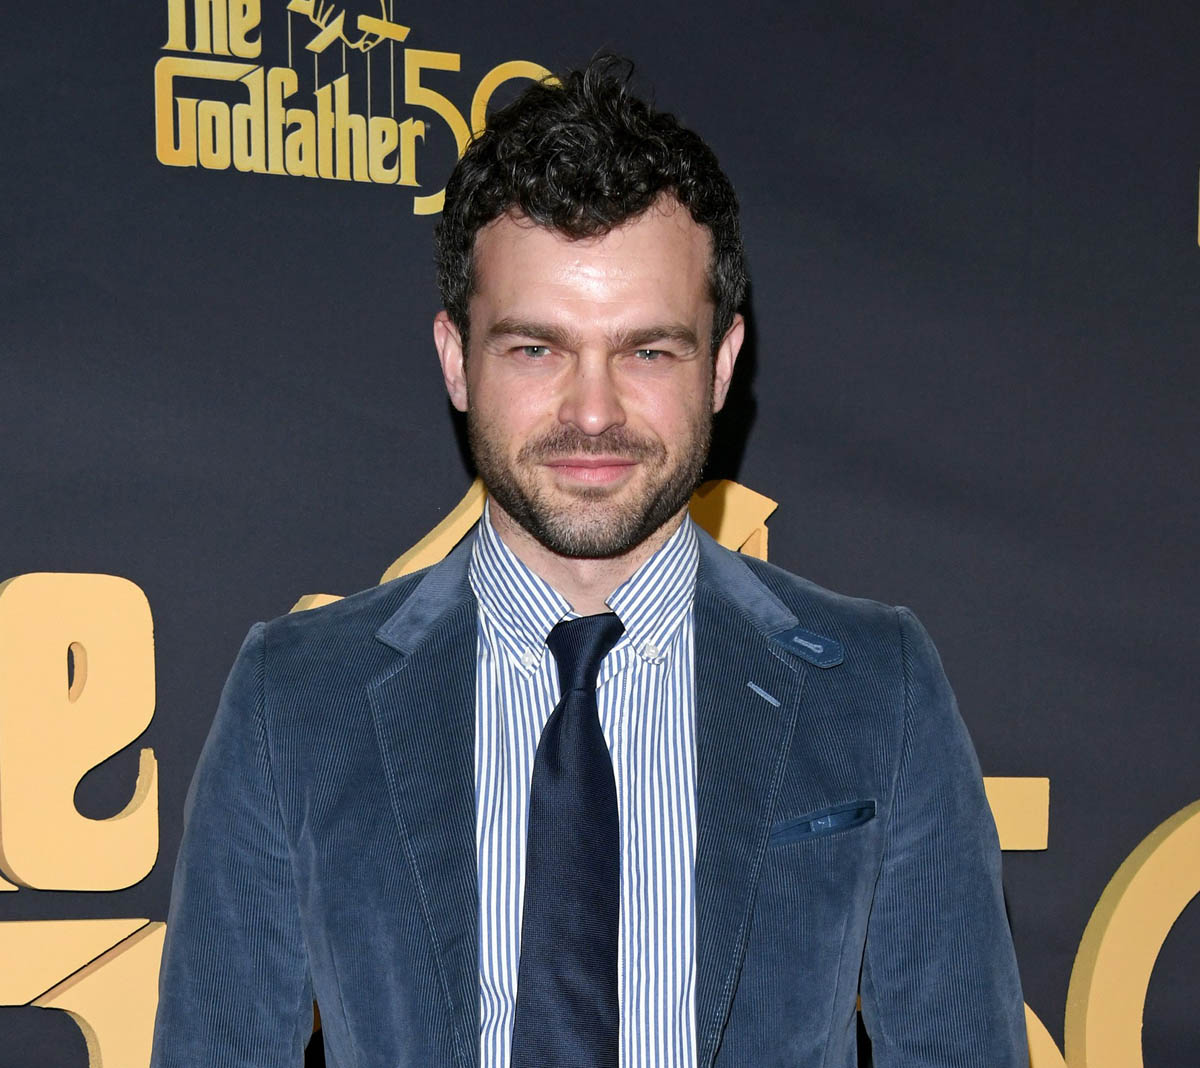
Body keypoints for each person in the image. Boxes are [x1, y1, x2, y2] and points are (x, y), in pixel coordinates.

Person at [151, 56, 1027, 1067]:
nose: (595, 411)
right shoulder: (298, 696)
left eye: (648, 351)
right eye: (537, 349)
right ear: (457, 359)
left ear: (722, 364)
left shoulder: (876, 682)